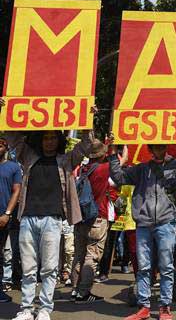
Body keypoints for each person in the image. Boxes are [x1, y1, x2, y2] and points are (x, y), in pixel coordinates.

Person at [109, 142, 176, 320]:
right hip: (144, 224)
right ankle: (144, 307)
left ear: (166, 147)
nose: (160, 150)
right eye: (156, 147)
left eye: (162, 147)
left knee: (166, 266)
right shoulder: (141, 169)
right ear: (151, 149)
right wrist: (113, 154)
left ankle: (165, 307)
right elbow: (118, 177)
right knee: (144, 267)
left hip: (166, 222)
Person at [7, 126, 95, 320]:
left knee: (49, 268)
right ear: (40, 139)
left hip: (52, 220)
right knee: (28, 269)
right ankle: (26, 309)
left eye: (53, 138)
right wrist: (4, 111)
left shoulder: (66, 160)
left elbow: (86, 146)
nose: (49, 141)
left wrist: (88, 123)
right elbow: (13, 138)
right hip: (28, 217)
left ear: (59, 140)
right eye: (46, 137)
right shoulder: (29, 157)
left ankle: (45, 308)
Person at [70, 139, 124, 303]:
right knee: (92, 255)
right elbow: (120, 166)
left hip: (81, 217)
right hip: (98, 216)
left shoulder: (83, 169)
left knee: (79, 254)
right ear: (103, 154)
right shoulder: (104, 168)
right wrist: (115, 149)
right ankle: (84, 292)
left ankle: (75, 289)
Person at [0, 135, 22, 303]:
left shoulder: (13, 167)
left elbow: (16, 191)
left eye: (2, 144)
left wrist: (7, 214)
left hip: (2, 218)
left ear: (6, 148)